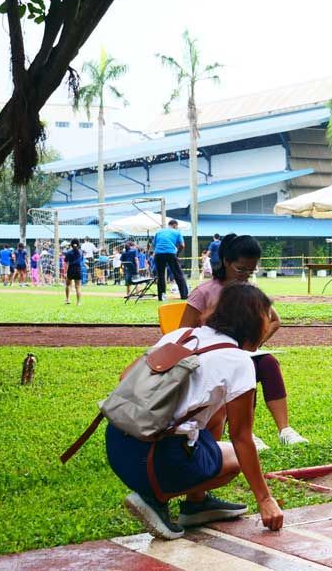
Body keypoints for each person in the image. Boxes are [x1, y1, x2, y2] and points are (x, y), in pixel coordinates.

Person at [105, 284, 284, 540]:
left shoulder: (180, 336)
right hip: (157, 462)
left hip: (117, 446)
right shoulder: (239, 361)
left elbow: (125, 378)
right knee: (234, 459)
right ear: (253, 322)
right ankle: (155, 498)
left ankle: (196, 504)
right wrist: (265, 499)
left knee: (218, 411)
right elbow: (242, 437)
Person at [181, 234, 308, 451]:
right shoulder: (204, 292)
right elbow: (183, 333)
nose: (245, 276)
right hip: (211, 359)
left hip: (239, 355)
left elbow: (274, 321)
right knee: (240, 369)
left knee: (267, 363)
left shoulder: (250, 293)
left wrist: (253, 346)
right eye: (241, 270)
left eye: (251, 271)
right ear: (225, 262)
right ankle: (245, 433)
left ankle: (285, 430)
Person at [153, 219, 188, 301]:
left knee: (160, 276)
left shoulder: (159, 232)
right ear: (175, 225)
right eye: (177, 226)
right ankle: (184, 295)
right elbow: (182, 245)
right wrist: (177, 254)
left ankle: (161, 297)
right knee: (178, 274)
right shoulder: (177, 232)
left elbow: (154, 244)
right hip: (170, 253)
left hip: (158, 254)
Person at [64, 239, 84, 305]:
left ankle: (67, 299)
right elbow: (81, 261)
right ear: (78, 244)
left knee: (67, 285)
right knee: (78, 286)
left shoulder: (68, 252)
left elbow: (66, 263)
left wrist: (65, 272)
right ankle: (78, 302)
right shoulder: (81, 252)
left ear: (71, 244)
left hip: (71, 269)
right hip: (78, 269)